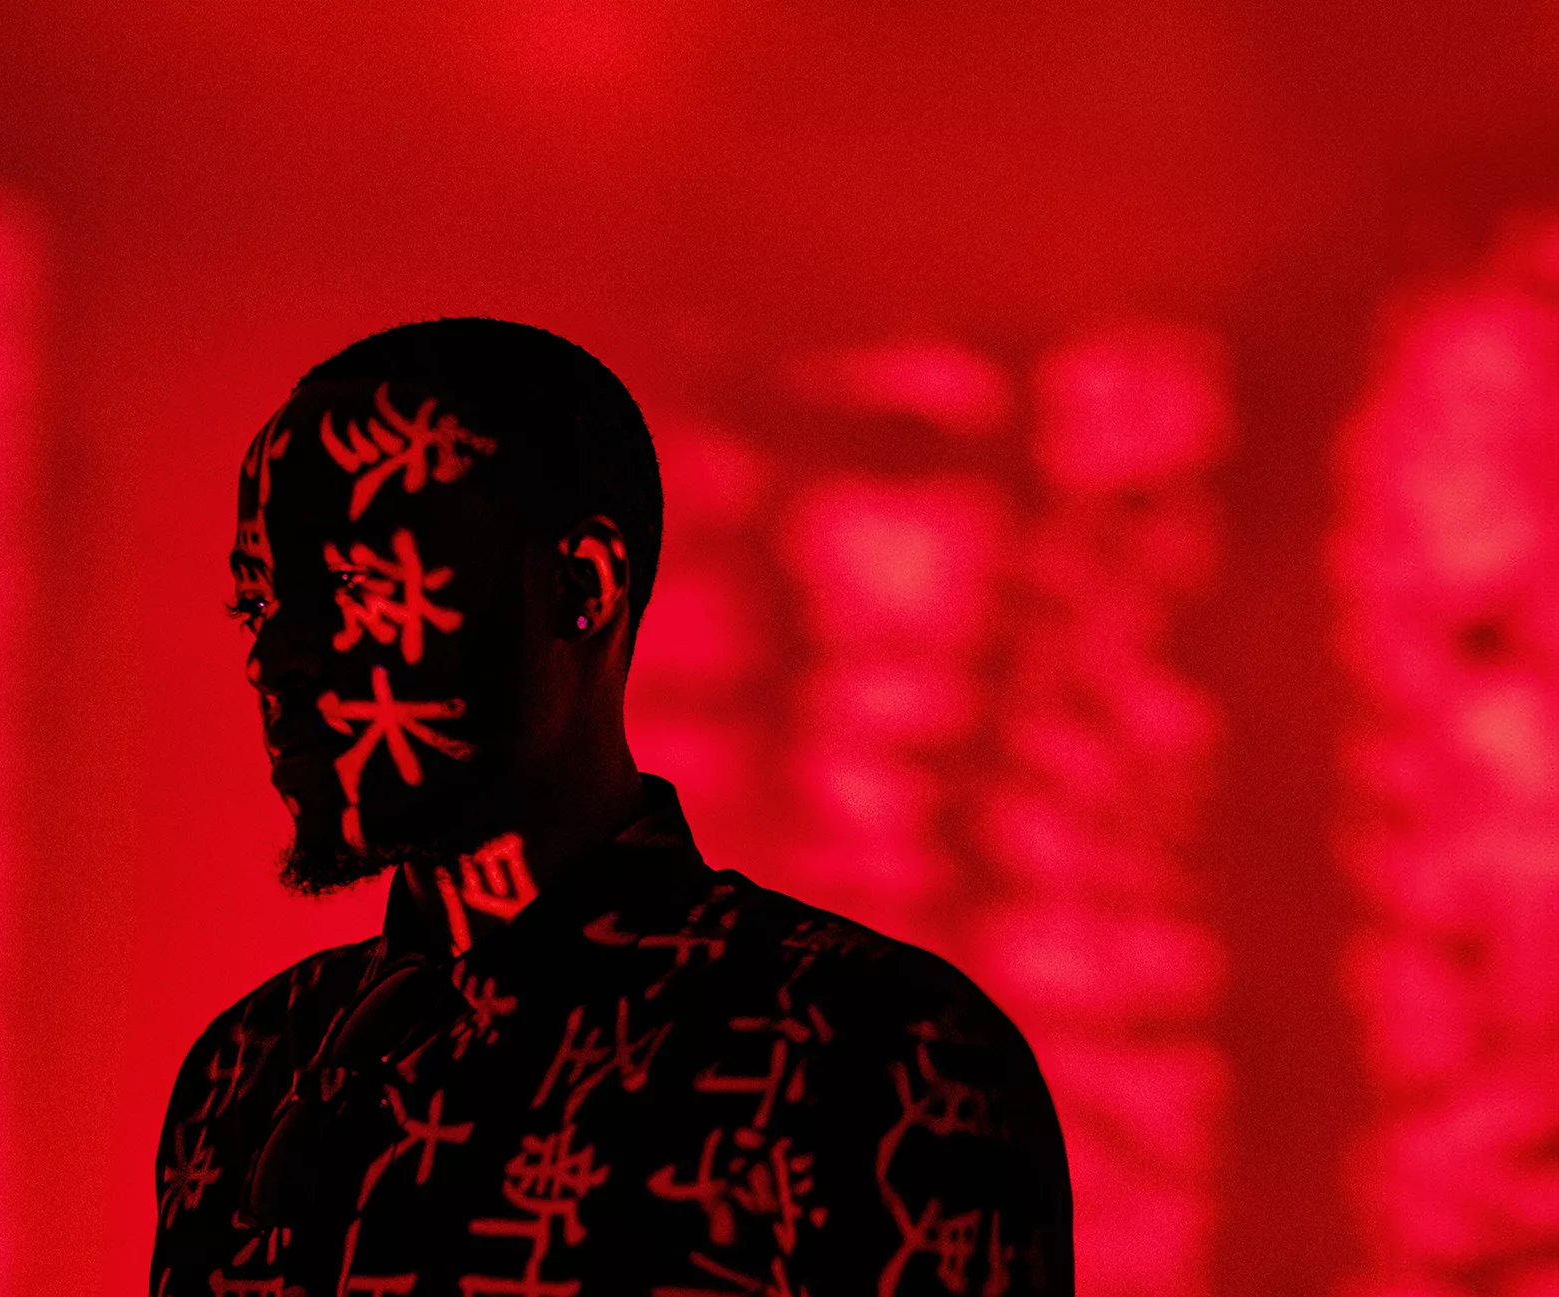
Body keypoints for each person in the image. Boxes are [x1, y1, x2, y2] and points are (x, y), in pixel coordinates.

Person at [151, 318, 1072, 1295]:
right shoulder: (247, 1067)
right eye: (257, 604)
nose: (272, 660)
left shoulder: (881, 1054)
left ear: (580, 587)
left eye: (354, 585)